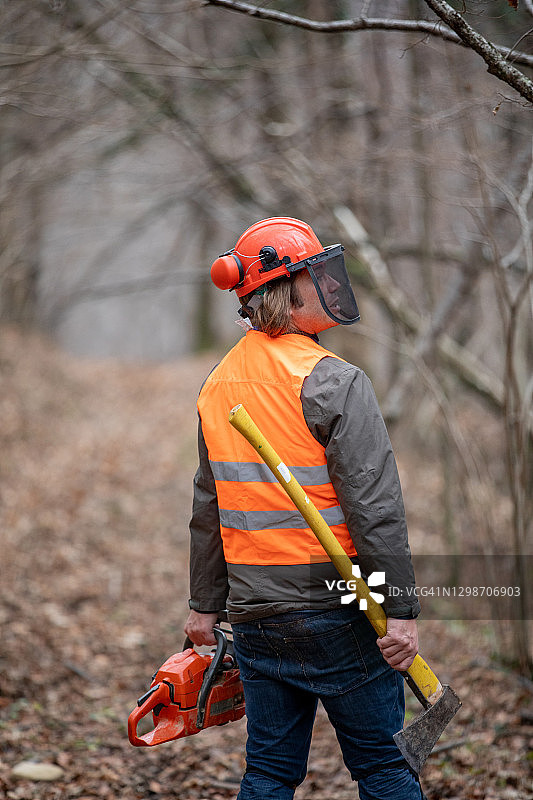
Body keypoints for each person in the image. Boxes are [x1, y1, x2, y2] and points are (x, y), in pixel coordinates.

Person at [184, 217, 424, 800]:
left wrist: (203, 608)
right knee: (385, 768)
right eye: (315, 275)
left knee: (268, 772)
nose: (329, 285)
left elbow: (207, 507)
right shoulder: (334, 381)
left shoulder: (218, 385)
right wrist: (402, 610)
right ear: (286, 293)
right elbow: (376, 509)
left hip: (257, 612)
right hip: (339, 608)